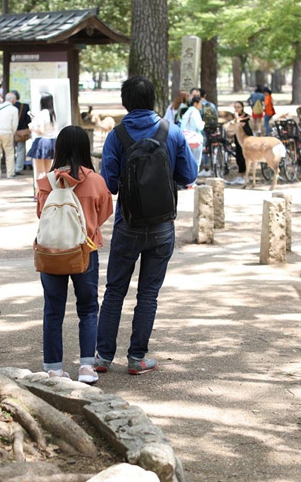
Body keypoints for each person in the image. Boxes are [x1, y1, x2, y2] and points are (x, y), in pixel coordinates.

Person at [96, 76, 197, 376]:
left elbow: (109, 184)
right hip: (163, 225)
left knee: (114, 290)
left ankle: (102, 357)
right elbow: (189, 175)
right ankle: (137, 357)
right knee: (148, 294)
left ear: (125, 102)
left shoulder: (117, 135)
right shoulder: (172, 132)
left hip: (128, 222)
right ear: (153, 100)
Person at [36, 126, 113, 383]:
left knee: (53, 310)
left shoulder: (46, 182)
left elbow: (41, 214)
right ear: (84, 148)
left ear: (58, 149)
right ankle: (87, 367)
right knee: (88, 309)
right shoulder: (96, 181)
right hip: (85, 251)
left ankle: (54, 368)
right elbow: (105, 212)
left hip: (52, 252)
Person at [28, 93, 58, 187]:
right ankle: (49, 191)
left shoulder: (42, 113)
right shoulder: (52, 113)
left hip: (42, 142)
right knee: (48, 171)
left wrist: (31, 127)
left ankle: (39, 193)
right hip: (51, 142)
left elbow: (40, 131)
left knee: (40, 171)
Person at [0, 93, 18, 179]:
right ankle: (10, 173)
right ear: (13, 100)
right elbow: (14, 124)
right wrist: (13, 133)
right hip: (7, 132)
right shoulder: (14, 109)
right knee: (9, 153)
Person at [225, 101, 252, 186]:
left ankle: (244, 176)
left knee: (244, 158)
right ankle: (240, 175)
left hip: (246, 141)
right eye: (235, 107)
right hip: (237, 141)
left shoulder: (247, 117)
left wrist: (242, 125)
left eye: (238, 107)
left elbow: (250, 131)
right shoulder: (234, 118)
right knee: (238, 158)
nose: (237, 109)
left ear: (242, 108)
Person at [180, 95, 205, 174]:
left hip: (186, 140)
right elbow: (199, 126)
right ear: (195, 103)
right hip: (195, 140)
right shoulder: (195, 112)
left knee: (187, 161)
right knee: (196, 161)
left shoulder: (187, 112)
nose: (201, 105)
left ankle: (187, 182)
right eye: (200, 103)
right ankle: (192, 182)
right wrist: (203, 123)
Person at [12, 90, 30, 175]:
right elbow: (28, 120)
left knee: (10, 151)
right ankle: (18, 168)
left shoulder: (9, 106)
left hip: (11, 132)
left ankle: (11, 169)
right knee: (21, 150)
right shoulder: (25, 106)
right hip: (21, 133)